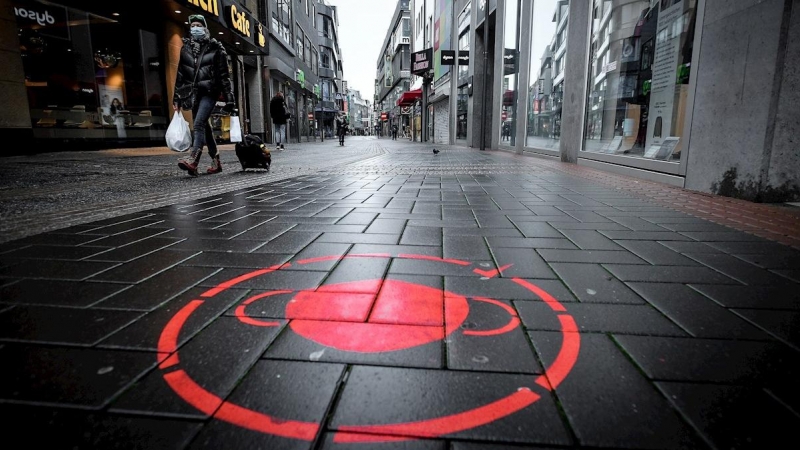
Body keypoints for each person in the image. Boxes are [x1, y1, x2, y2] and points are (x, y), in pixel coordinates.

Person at [173, 13, 235, 176]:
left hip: (210, 92)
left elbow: (224, 76)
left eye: (198, 25)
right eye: (192, 26)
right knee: (205, 128)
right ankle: (216, 161)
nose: (195, 28)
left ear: (205, 28)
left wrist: (229, 98)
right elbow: (181, 74)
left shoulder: (216, 48)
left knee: (199, 123)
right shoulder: (185, 48)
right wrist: (176, 98)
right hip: (194, 94)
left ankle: (193, 159)